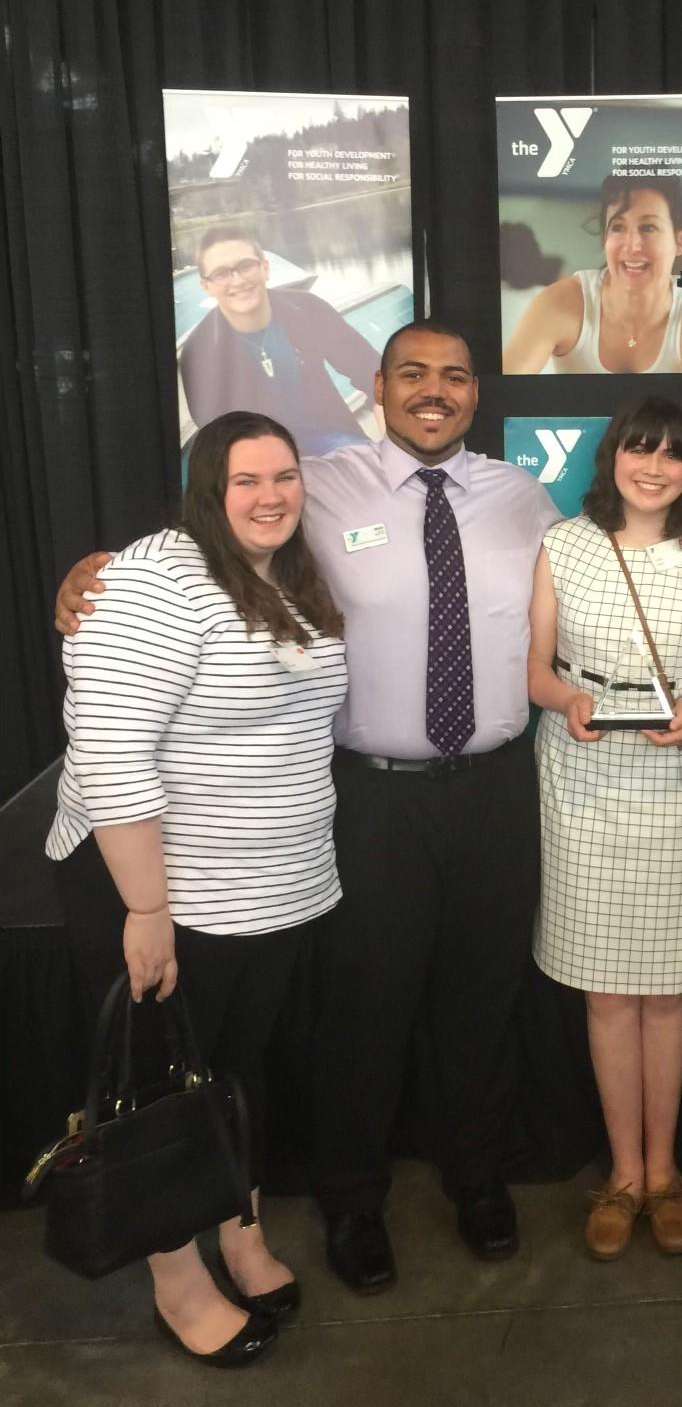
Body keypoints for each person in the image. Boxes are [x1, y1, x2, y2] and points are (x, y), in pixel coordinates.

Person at [57, 322, 560, 1295]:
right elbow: (198, 546)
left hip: (499, 790)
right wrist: (88, 581)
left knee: (481, 999)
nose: (434, 390)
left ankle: (477, 1178)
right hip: (368, 796)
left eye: (454, 377)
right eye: (412, 372)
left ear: (475, 395)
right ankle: (352, 1199)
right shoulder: (313, 488)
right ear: (377, 386)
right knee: (361, 1011)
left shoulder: (524, 499)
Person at [46, 411, 347, 1366]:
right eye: (245, 481)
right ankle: (176, 1281)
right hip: (168, 895)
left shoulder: (284, 575)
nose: (270, 497)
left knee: (231, 1072)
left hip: (272, 888)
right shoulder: (150, 583)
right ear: (207, 490)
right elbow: (109, 754)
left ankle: (238, 1233)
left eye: (284, 478)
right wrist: (144, 909)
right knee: (155, 1094)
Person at [527, 398, 682, 1260]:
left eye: (671, 456)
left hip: (674, 782)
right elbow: (536, 669)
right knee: (606, 990)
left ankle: (666, 1174)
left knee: (666, 988)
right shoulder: (563, 545)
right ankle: (623, 1174)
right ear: (611, 458)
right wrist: (568, 701)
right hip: (580, 774)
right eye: (637, 451)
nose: (651, 468)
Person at [180, 224, 382, 455]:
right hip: (260, 459)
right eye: (221, 273)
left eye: (245, 266)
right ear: (207, 286)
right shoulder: (200, 353)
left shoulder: (307, 309)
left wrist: (389, 421)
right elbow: (217, 435)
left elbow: (372, 372)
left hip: (331, 440)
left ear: (264, 268)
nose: (237, 281)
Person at [502, 175, 682, 374]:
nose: (632, 246)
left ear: (681, 239)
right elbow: (506, 395)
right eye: (618, 227)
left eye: (648, 227)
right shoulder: (558, 302)